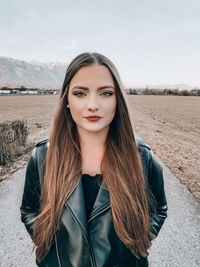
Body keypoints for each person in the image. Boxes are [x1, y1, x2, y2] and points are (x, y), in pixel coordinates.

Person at [20, 52, 167, 267]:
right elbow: (29, 210)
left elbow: (159, 209)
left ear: (118, 100)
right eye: (80, 93)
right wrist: (53, 249)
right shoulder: (43, 156)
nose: (92, 105)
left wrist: (135, 243)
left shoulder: (141, 157)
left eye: (106, 93)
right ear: (66, 100)